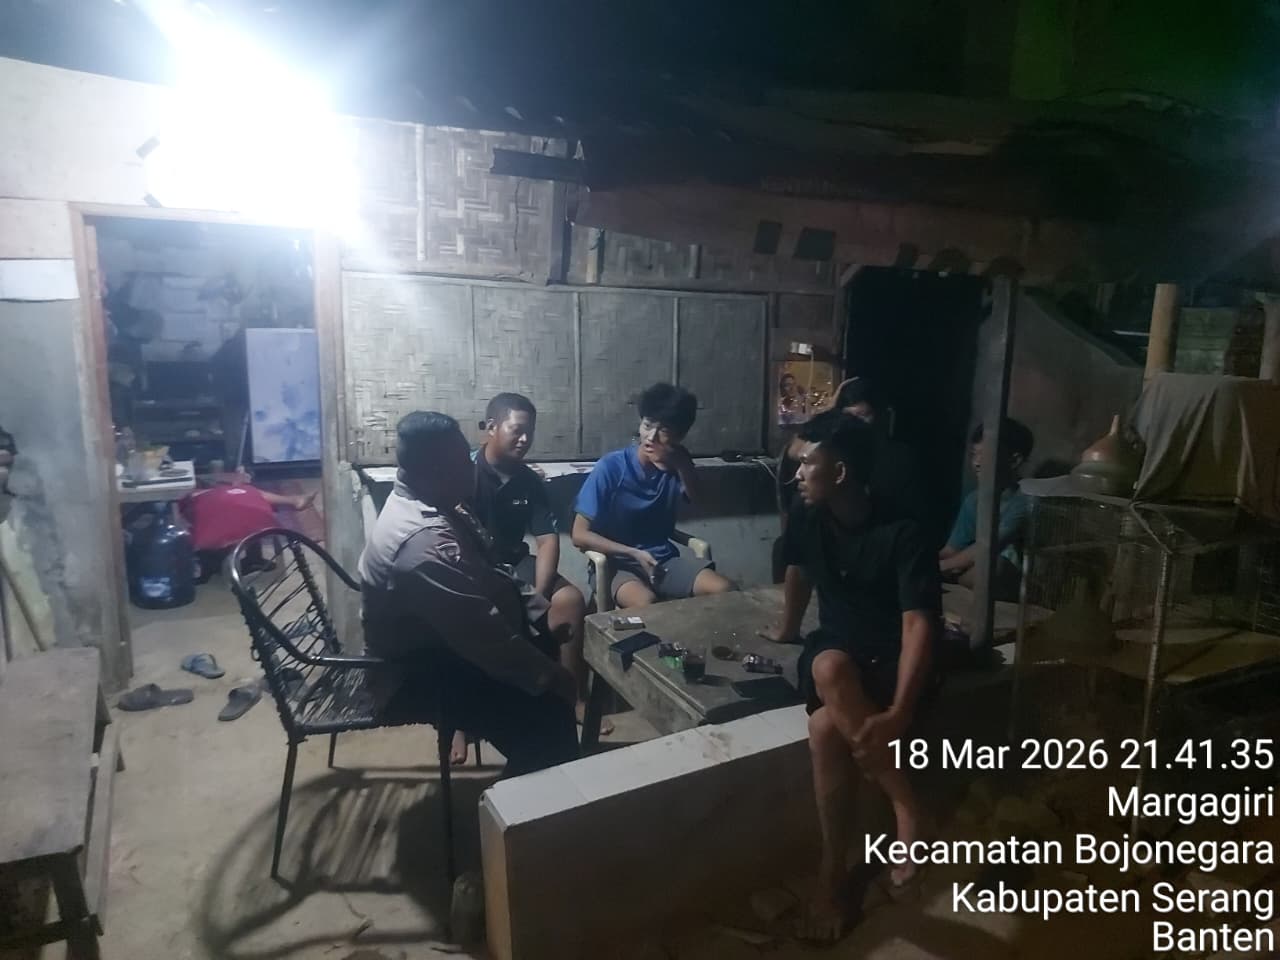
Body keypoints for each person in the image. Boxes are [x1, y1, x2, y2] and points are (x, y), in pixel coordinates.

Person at [764, 411, 941, 942]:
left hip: (888, 661)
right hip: (836, 651)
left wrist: (900, 712)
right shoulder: (807, 516)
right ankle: (903, 809)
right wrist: (786, 628)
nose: (798, 474)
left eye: (807, 464)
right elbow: (798, 570)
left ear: (840, 472)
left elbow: (917, 625)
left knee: (824, 726)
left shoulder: (903, 531)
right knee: (827, 665)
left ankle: (834, 873)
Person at [359, 411, 578, 777]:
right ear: (434, 470)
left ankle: (539, 784)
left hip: (451, 645)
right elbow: (482, 636)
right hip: (416, 671)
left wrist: (537, 613)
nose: (471, 467)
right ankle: (510, 809)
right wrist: (551, 676)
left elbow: (493, 571)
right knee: (550, 719)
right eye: (463, 461)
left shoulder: (441, 503)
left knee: (546, 655)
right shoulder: (421, 543)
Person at [467, 392, 604, 746]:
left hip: (514, 563)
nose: (525, 439)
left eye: (530, 432)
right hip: (472, 566)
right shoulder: (464, 473)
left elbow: (547, 541)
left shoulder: (529, 480)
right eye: (517, 430)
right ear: (492, 427)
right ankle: (461, 725)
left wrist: (539, 596)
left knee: (570, 601)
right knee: (464, 613)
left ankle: (573, 698)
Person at [571, 383, 733, 608]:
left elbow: (700, 502)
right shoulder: (612, 467)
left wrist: (682, 465)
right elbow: (579, 535)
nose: (651, 437)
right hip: (617, 564)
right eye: (647, 425)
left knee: (725, 590)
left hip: (662, 561)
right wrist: (633, 553)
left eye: (664, 430)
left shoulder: (679, 464)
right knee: (648, 605)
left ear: (679, 435)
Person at [773, 378, 928, 582]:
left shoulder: (897, 458)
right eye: (848, 417)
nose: (854, 424)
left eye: (863, 416)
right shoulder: (810, 507)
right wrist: (828, 412)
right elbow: (801, 448)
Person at [938, 418, 1034, 602]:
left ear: (1014, 460)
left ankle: (959, 579)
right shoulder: (974, 500)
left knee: (992, 569)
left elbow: (989, 546)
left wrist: (942, 568)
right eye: (974, 454)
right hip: (971, 570)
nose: (977, 462)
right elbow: (952, 549)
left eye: (986, 454)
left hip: (1015, 580)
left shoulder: (1025, 500)